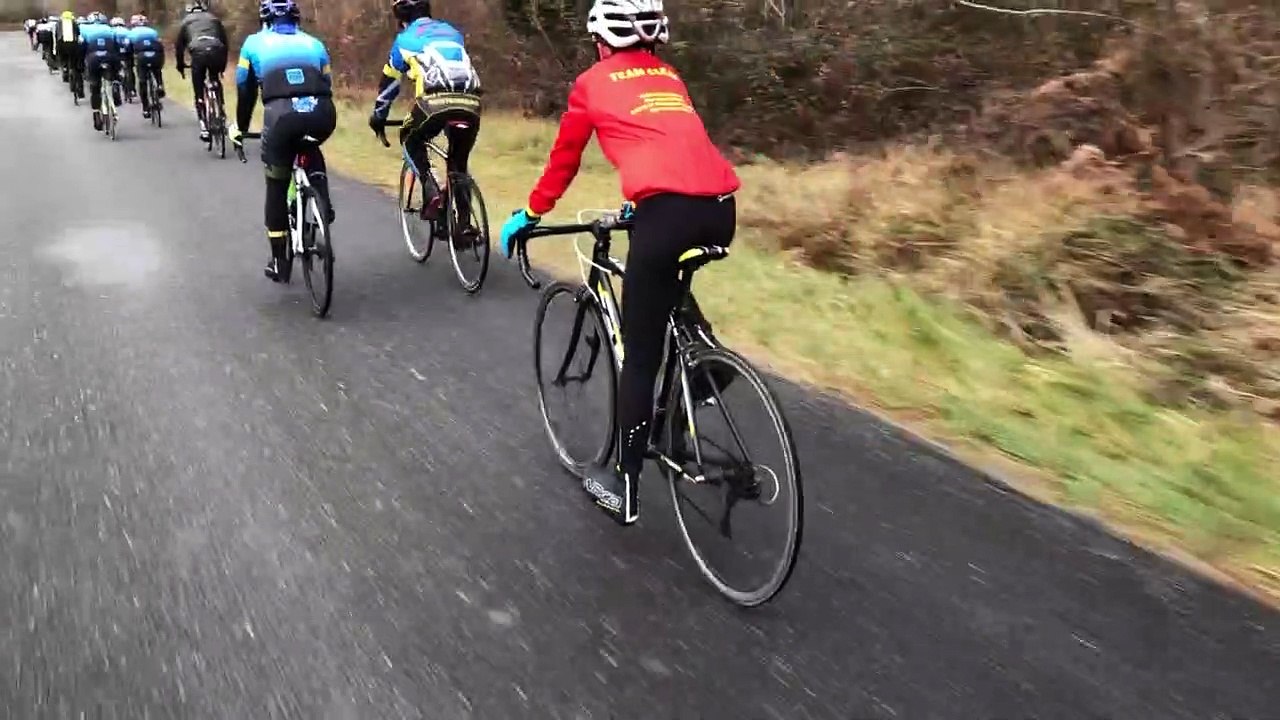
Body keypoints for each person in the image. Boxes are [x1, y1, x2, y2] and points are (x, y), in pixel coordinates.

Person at [499, 0, 740, 526]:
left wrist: (531, 212)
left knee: (640, 355)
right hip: (720, 209)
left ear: (602, 40)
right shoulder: (669, 76)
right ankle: (706, 367)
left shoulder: (591, 82)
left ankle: (625, 489)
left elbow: (564, 160)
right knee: (668, 295)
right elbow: (670, 145)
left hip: (667, 215)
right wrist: (641, 204)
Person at [233, 0, 336, 283]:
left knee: (276, 185)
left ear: (264, 19)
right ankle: (322, 203)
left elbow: (245, 91)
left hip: (280, 118)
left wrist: (240, 129)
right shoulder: (315, 44)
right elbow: (328, 86)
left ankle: (280, 262)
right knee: (310, 144)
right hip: (322, 114)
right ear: (296, 19)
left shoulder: (253, 43)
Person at [367, 0, 482, 227]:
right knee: (458, 164)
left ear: (401, 18)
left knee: (410, 138)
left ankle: (431, 191)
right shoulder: (452, 32)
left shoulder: (403, 40)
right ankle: (465, 226)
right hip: (471, 102)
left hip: (433, 101)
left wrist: (379, 117)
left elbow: (389, 85)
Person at [175, 1, 229, 142]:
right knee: (215, 79)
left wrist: (180, 66)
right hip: (217, 49)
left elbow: (179, 48)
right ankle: (221, 110)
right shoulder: (214, 19)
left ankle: (204, 126)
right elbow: (225, 43)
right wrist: (222, 67)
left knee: (198, 88)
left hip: (198, 52)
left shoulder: (186, 22)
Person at [80, 12, 123, 131]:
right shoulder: (110, 30)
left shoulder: (85, 30)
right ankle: (115, 87)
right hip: (110, 57)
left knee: (95, 86)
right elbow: (117, 48)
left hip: (93, 59)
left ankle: (96, 115)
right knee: (114, 74)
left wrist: (82, 63)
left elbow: (82, 48)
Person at [129, 14, 166, 118]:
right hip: (156, 55)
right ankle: (159, 85)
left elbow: (128, 48)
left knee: (142, 80)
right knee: (157, 70)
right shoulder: (153, 31)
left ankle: (145, 108)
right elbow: (159, 44)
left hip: (142, 57)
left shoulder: (132, 33)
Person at [56, 10, 81, 94]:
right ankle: (73, 70)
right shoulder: (74, 22)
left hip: (61, 43)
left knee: (63, 58)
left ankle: (65, 68)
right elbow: (78, 32)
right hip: (73, 44)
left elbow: (56, 34)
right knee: (74, 61)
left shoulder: (59, 22)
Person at [110, 17, 135, 100]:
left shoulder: (111, 31)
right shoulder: (128, 31)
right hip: (127, 53)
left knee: (115, 69)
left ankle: (116, 84)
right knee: (130, 69)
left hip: (116, 53)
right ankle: (132, 90)